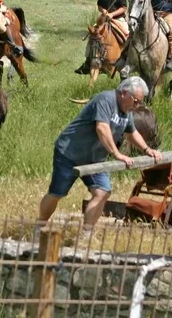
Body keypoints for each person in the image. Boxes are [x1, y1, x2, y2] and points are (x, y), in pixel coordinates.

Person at [37, 77, 161, 232]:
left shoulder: (127, 111)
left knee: (102, 192)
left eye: (139, 103)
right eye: (135, 101)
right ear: (124, 93)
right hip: (70, 153)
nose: (137, 106)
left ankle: (86, 234)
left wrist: (147, 150)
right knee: (57, 193)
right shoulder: (105, 100)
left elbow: (132, 132)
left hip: (94, 159)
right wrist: (116, 154)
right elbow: (102, 128)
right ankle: (39, 227)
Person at [75, 0, 128, 75]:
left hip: (118, 19)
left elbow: (124, 8)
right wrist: (103, 10)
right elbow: (99, 6)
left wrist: (112, 14)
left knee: (127, 34)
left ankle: (128, 59)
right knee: (92, 37)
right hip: (104, 19)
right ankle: (87, 62)